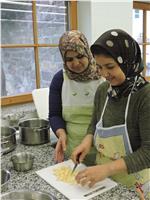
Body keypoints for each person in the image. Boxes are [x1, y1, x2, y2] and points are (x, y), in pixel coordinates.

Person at [71, 29, 150, 199]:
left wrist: (107, 169)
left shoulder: (145, 97)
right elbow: (94, 123)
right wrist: (86, 142)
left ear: (128, 62)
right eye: (99, 67)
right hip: (104, 181)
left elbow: (148, 153)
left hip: (135, 185)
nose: (104, 74)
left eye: (110, 67)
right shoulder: (103, 90)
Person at [49, 30, 105, 165]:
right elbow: (54, 114)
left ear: (88, 53)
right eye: (69, 59)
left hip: (102, 150)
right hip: (72, 151)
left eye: (80, 56)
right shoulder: (60, 79)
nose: (75, 63)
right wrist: (61, 134)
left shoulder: (103, 75)